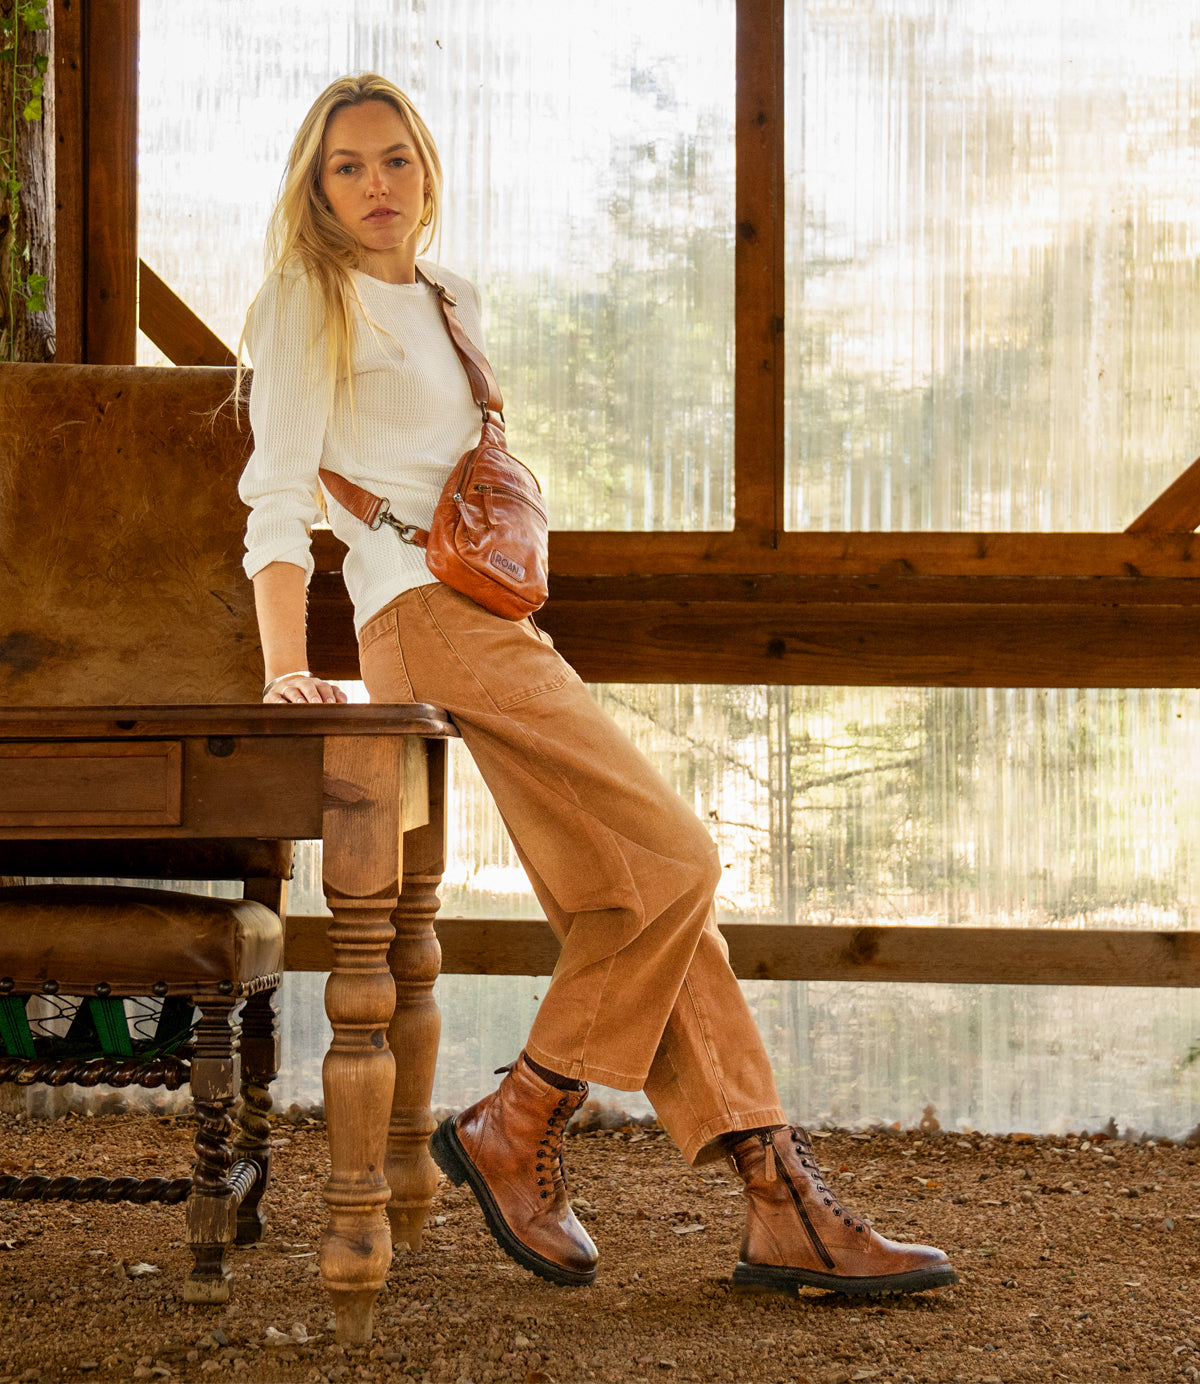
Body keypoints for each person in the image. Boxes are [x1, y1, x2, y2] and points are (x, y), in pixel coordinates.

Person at [239, 72, 957, 1299]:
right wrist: (291, 668)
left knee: (633, 899)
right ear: (316, 183)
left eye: (396, 159)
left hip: (494, 613)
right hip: (416, 613)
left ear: (427, 171)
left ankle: (777, 1204)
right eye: (349, 165)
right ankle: (518, 1119)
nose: (377, 185)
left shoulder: (453, 298)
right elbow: (272, 503)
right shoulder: (307, 299)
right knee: (678, 858)